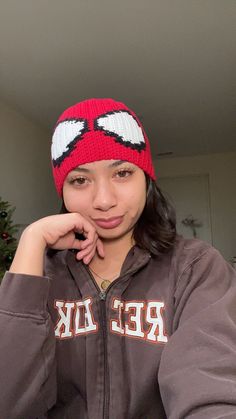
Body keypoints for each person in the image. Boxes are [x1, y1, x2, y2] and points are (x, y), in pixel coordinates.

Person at [0, 98, 236, 419]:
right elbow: (9, 401)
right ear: (63, 189)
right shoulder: (41, 275)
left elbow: (211, 383)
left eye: (122, 173)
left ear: (146, 179)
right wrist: (30, 243)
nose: (104, 200)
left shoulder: (195, 267)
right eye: (80, 180)